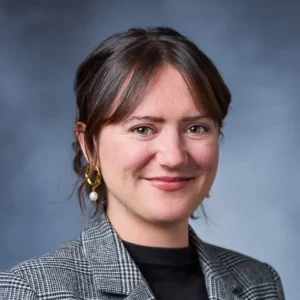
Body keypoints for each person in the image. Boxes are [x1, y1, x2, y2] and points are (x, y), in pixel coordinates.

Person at [0, 27, 285, 300]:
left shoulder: (259, 283)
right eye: (143, 129)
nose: (174, 157)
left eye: (196, 128)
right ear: (89, 144)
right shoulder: (30, 291)